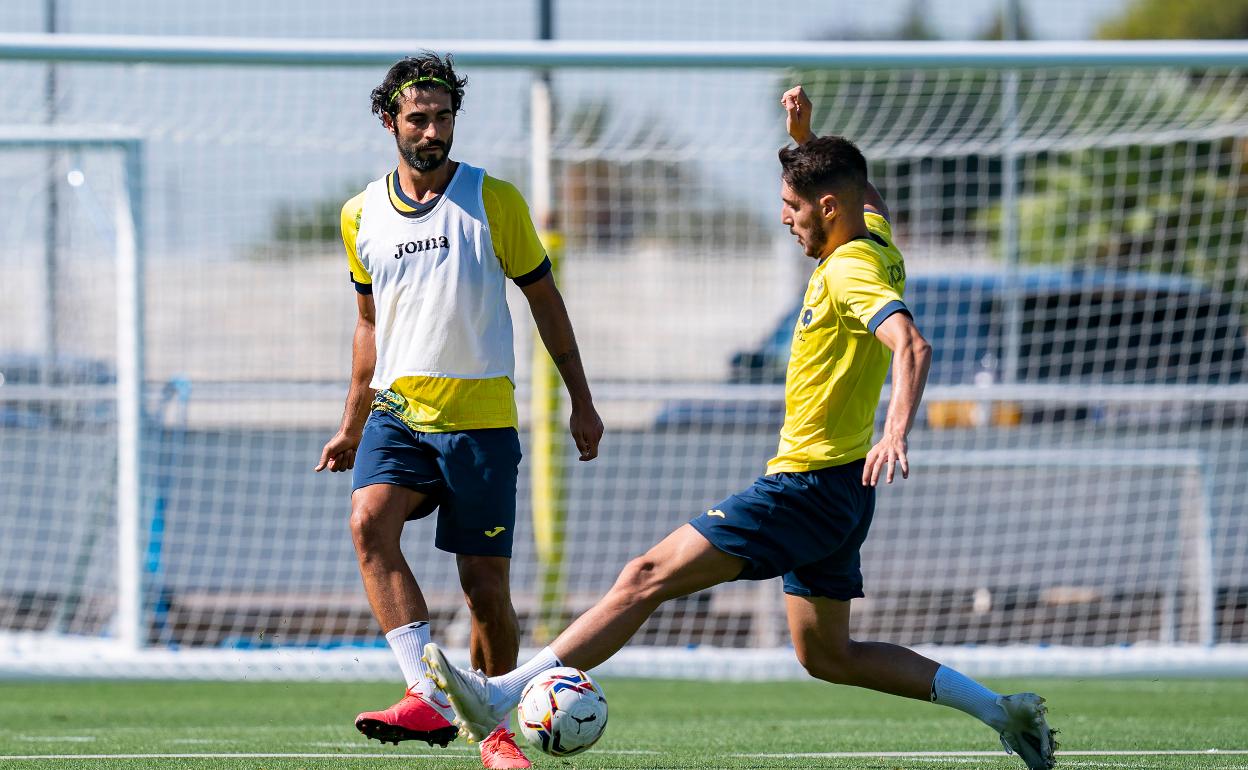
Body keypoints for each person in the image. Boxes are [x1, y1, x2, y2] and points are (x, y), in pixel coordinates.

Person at [422, 85, 1056, 770]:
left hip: (807, 488)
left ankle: (499, 694)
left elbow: (912, 345)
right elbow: (865, 190)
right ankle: (1002, 710)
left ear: (828, 209)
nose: (784, 219)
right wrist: (808, 138)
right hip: (838, 493)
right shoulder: (873, 234)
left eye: (792, 207)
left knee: (645, 575)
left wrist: (895, 429)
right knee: (828, 654)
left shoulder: (851, 270)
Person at [314, 52, 603, 770]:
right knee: (366, 520)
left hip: (481, 421)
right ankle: (424, 691)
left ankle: (496, 734)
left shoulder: (493, 198)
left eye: (443, 116)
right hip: (401, 412)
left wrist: (582, 401)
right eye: (418, 117)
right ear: (390, 122)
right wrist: (352, 422)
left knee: (484, 591)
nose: (433, 129)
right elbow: (369, 325)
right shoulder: (360, 214)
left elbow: (545, 300)